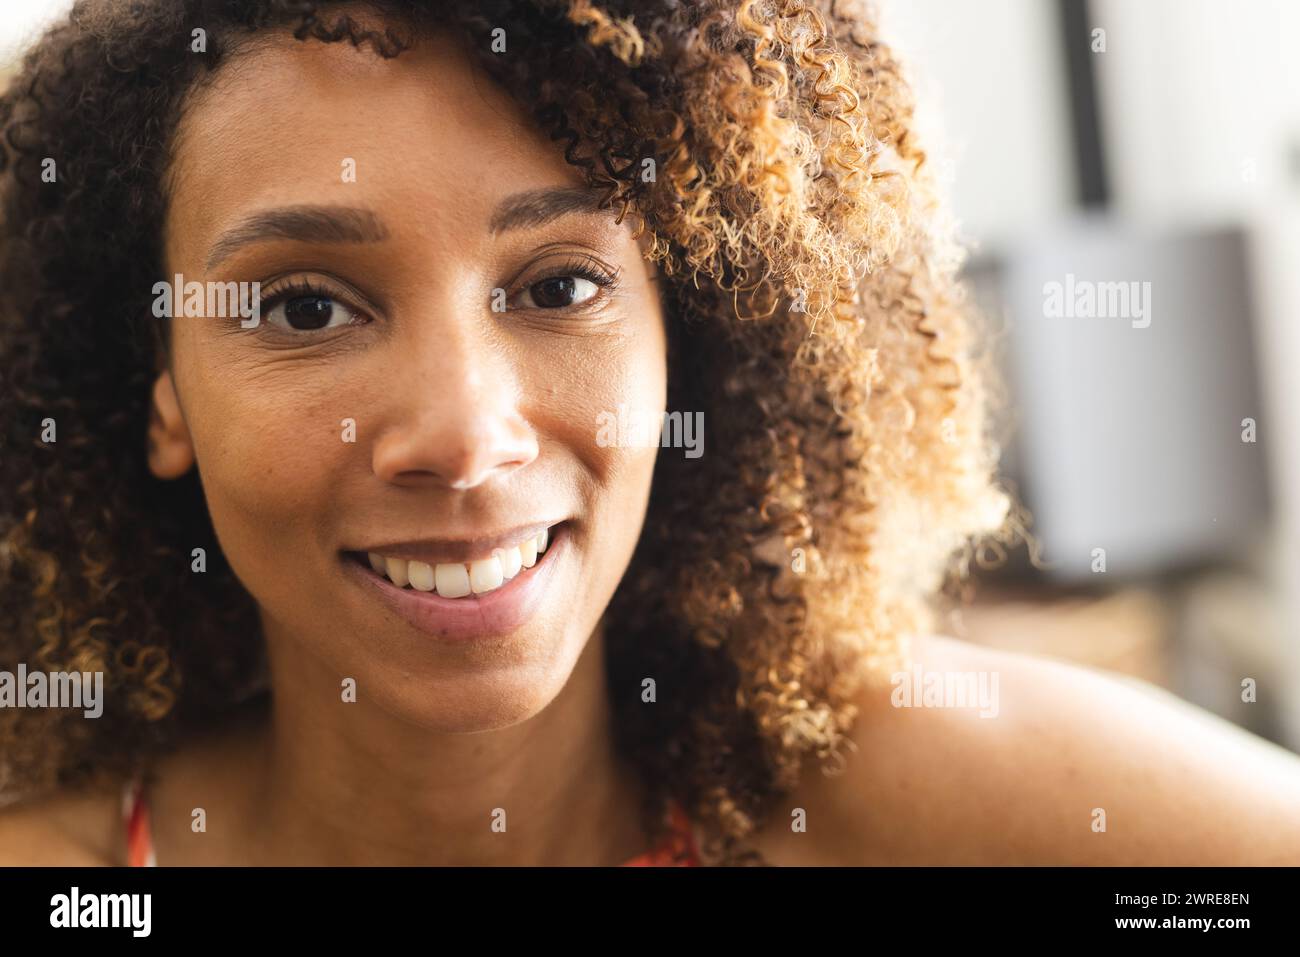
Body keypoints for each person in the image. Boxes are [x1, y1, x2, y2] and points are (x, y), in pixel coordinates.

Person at [1, 0, 1297, 866]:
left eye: (560, 286)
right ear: (159, 381)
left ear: (695, 338)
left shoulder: (884, 797)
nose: (465, 435)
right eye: (302, 305)